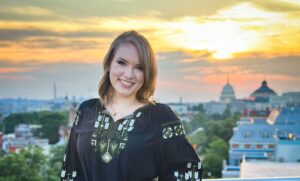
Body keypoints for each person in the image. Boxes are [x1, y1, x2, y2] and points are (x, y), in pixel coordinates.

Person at [61, 30, 202, 181]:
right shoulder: (86, 111)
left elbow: (189, 171)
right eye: (121, 63)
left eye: (139, 67)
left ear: (147, 73)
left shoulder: (160, 117)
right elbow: (70, 171)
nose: (129, 74)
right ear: (109, 64)